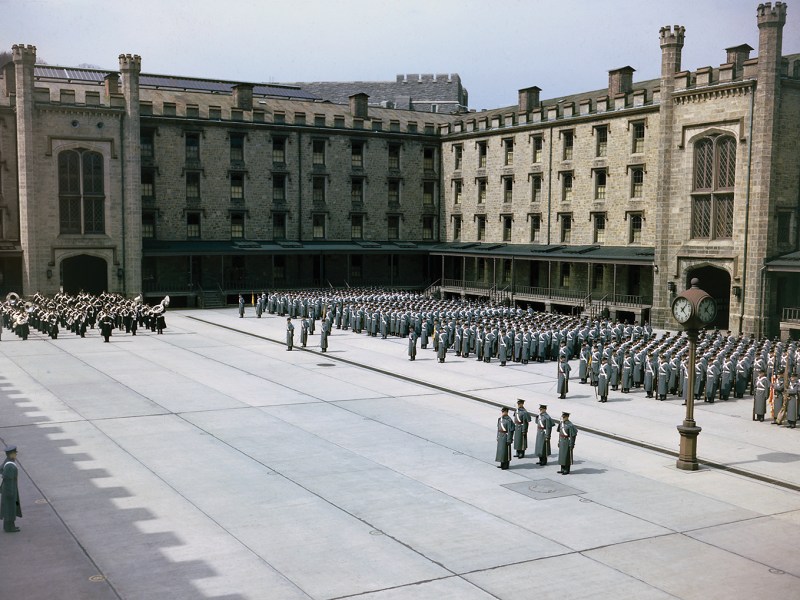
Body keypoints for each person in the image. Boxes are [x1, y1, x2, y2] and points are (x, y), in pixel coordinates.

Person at [1, 445, 21, 533]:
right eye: (15, 453)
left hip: (8, 489)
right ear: (11, 454)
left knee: (8, 509)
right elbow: (8, 480)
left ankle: (9, 526)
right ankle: (9, 528)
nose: (16, 455)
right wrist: (11, 493)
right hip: (10, 490)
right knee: (10, 509)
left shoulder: (7, 462)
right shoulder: (10, 466)